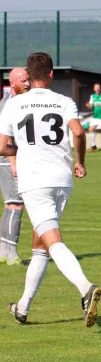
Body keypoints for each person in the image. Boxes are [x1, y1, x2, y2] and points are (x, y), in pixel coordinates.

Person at [0, 52, 101, 327]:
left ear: (29, 78)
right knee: (40, 246)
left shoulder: (14, 104)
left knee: (53, 241)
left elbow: (1, 146)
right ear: (52, 74)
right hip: (62, 179)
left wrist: (20, 151)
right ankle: (22, 307)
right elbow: (78, 133)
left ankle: (85, 288)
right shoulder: (64, 101)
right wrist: (80, 162)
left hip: (35, 180)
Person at [0, 68, 29, 265]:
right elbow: (6, 134)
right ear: (13, 84)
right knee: (16, 205)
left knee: (10, 205)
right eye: (23, 81)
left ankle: (3, 251)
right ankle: (11, 254)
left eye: (28, 80)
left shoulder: (10, 101)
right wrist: (14, 162)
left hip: (8, 157)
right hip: (9, 158)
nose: (27, 84)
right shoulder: (11, 103)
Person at [85, 83, 101, 152]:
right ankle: (93, 146)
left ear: (100, 89)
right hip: (95, 117)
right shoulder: (92, 96)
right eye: (96, 88)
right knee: (90, 129)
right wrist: (88, 105)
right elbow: (91, 106)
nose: (97, 89)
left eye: (98, 88)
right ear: (94, 89)